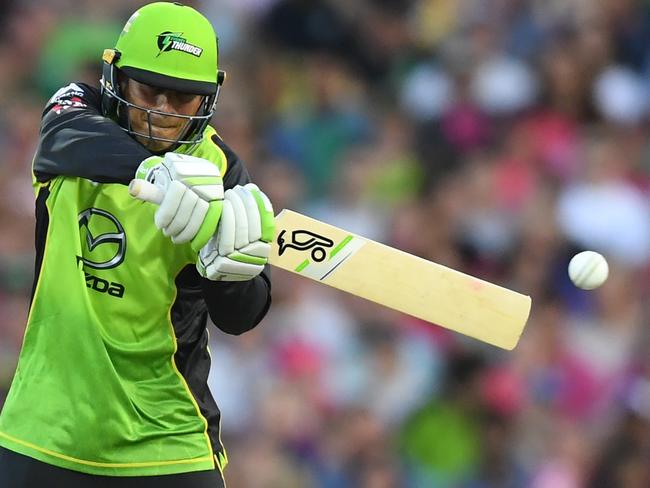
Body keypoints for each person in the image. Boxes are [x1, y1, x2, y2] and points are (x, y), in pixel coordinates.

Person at [0, 3, 274, 487]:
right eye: (149, 90)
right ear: (117, 77)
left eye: (183, 98)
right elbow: (61, 142)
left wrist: (233, 269)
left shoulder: (223, 173)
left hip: (167, 444)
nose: (162, 113)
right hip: (45, 429)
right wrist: (152, 171)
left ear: (208, 97)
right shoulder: (75, 111)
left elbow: (241, 316)